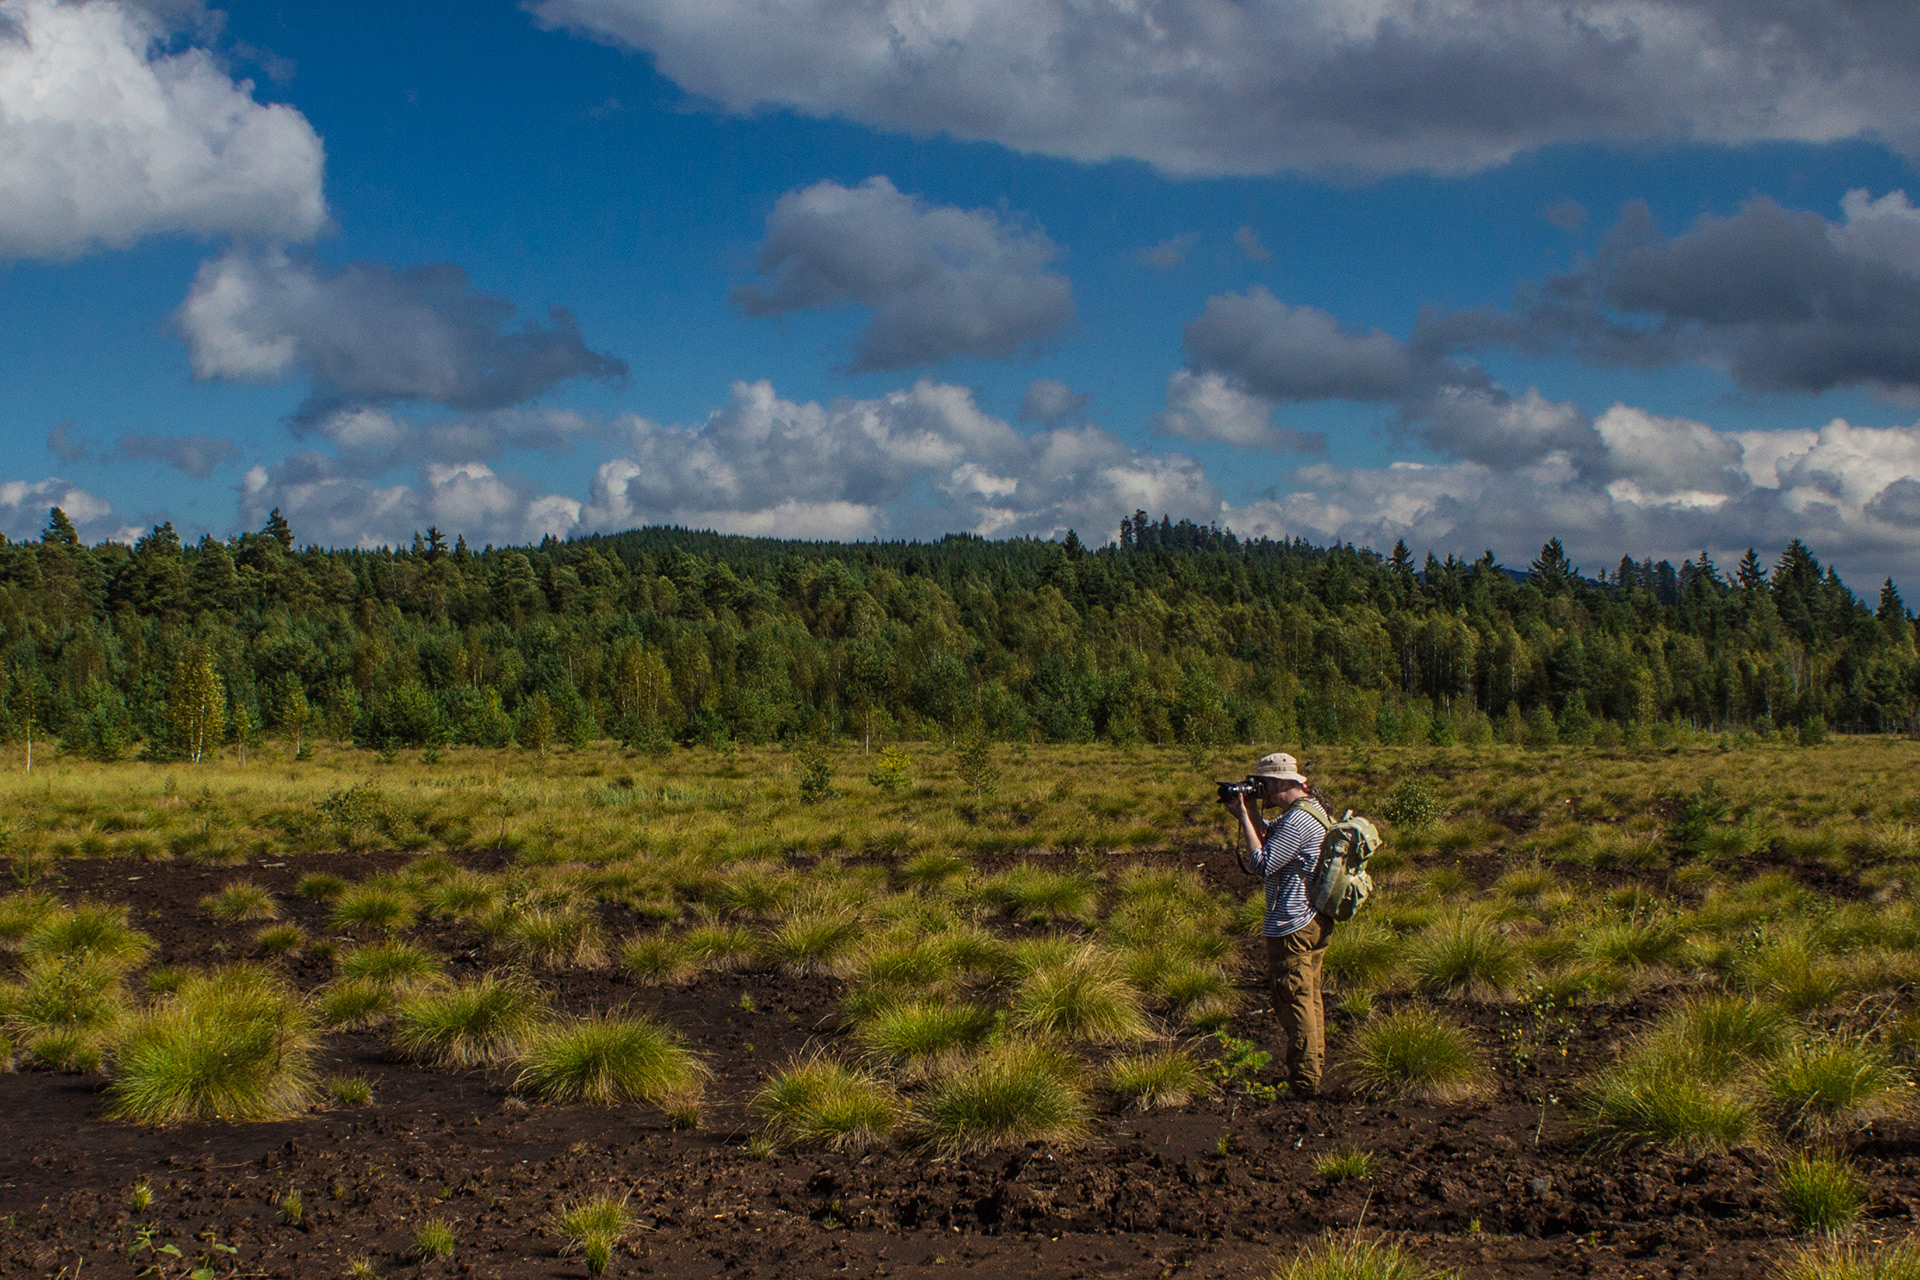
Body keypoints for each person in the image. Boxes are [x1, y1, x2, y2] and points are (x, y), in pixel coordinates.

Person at [1231, 751, 1334, 1097]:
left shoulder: (1297, 821)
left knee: (1294, 1001)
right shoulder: (1310, 811)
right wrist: (1251, 812)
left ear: (1279, 782)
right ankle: (1311, 1069)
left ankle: (1304, 1081)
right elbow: (1271, 835)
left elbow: (1263, 862)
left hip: (1291, 925)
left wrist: (1245, 817)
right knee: (1309, 997)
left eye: (1262, 784)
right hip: (1311, 920)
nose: (1260, 790)